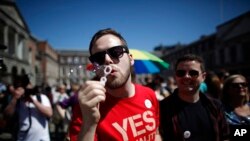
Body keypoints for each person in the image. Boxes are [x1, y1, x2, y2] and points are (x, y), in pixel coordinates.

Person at [77, 28, 161, 141]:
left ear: (130, 59)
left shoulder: (149, 94)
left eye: (115, 52)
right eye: (98, 58)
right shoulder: (87, 108)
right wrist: (89, 124)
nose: (107, 60)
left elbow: (156, 134)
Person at [159, 54, 229, 141]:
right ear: (175, 77)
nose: (186, 76)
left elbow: (225, 136)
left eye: (193, 73)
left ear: (203, 77)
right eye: (181, 73)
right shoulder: (162, 108)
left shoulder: (215, 105)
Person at [4, 75, 53, 141]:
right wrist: (15, 98)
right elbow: (7, 115)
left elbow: (49, 113)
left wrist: (33, 101)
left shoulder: (41, 97)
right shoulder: (16, 101)